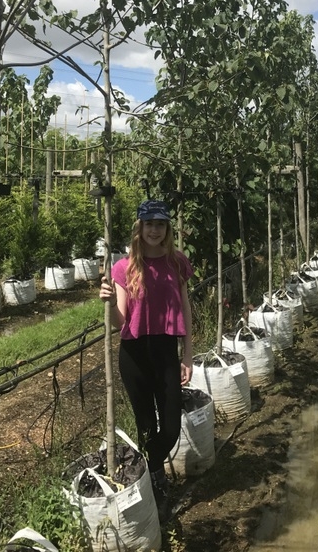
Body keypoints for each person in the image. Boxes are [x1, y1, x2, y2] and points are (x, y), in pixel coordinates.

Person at [99, 199, 194, 521]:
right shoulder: (124, 268)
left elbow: (185, 308)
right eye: (149, 224)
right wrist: (108, 303)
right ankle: (156, 482)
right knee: (146, 425)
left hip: (166, 351)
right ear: (139, 228)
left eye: (160, 224)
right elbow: (120, 321)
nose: (155, 230)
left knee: (171, 428)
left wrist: (188, 353)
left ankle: (147, 468)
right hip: (135, 354)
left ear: (167, 229)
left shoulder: (177, 263)